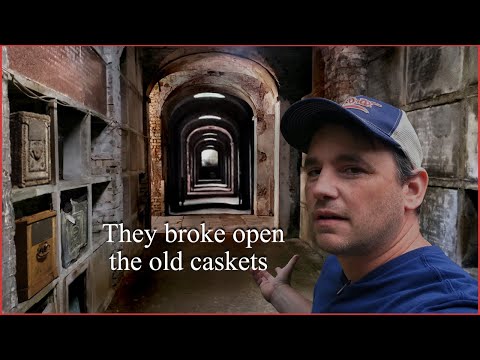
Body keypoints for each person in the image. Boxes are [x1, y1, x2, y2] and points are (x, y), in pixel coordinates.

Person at [251, 95, 478, 313]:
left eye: (352, 169)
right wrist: (279, 292)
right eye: (315, 171)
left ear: (411, 190)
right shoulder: (342, 263)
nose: (320, 188)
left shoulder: (444, 303)